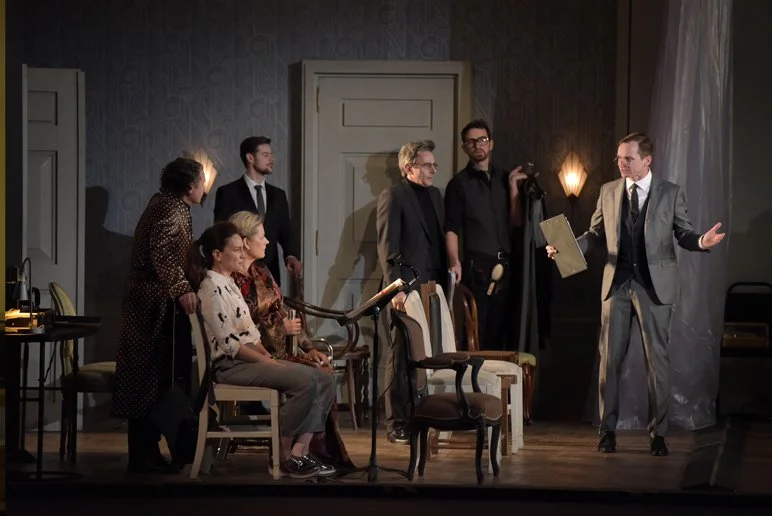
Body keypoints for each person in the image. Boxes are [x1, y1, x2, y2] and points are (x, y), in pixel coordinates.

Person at [546, 132, 725, 456]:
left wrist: (701, 242)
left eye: (628, 159)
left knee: (657, 363)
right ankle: (607, 432)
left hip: (654, 287)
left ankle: (658, 434)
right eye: (618, 158)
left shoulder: (670, 193)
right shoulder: (608, 191)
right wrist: (567, 247)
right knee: (609, 363)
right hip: (617, 285)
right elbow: (596, 233)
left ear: (647, 160)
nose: (621, 164)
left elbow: (682, 233)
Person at [187, 221, 337, 479]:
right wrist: (265, 362)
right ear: (217, 255)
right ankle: (282, 455)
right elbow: (230, 344)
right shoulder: (210, 289)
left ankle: (300, 453)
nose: (242, 254)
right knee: (305, 383)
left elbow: (251, 333)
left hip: (250, 360)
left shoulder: (230, 283)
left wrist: (266, 355)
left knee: (323, 378)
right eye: (235, 250)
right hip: (230, 366)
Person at [228, 210, 354, 469]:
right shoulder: (231, 279)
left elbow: (283, 312)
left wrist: (309, 348)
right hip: (255, 354)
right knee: (311, 379)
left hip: (281, 350)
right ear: (245, 241)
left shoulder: (262, 271)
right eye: (262, 237)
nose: (267, 241)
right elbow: (238, 329)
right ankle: (284, 451)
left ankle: (302, 450)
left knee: (326, 373)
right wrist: (278, 325)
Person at [112, 157, 204, 474]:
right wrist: (182, 289)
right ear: (191, 186)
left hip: (153, 302)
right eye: (202, 181)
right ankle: (143, 457)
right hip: (151, 305)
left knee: (152, 379)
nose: (205, 187)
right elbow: (162, 252)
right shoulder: (168, 209)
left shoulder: (167, 204)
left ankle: (147, 454)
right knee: (149, 378)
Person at [375, 139, 447, 444]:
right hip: (404, 288)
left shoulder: (436, 196)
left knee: (428, 355)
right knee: (401, 355)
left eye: (434, 164)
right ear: (409, 168)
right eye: (427, 165)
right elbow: (387, 247)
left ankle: (423, 415)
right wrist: (397, 290)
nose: (433, 170)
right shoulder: (393, 196)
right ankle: (397, 422)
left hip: (432, 288)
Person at [444, 119, 526, 351]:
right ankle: (475, 385)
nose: (477, 145)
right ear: (464, 148)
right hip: (477, 269)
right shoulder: (458, 184)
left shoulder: (505, 177)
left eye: (482, 140)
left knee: (504, 332)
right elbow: (451, 227)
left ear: (491, 144)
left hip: (507, 267)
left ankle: (499, 386)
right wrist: (454, 261)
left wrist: (513, 191)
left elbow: (517, 223)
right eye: (471, 142)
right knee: (477, 333)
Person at [213, 136, 302, 287]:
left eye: (271, 155)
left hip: (270, 275)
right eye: (266, 155)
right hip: (239, 274)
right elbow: (222, 234)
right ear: (250, 157)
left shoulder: (279, 195)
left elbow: (286, 231)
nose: (271, 159)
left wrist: (292, 256)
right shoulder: (228, 193)